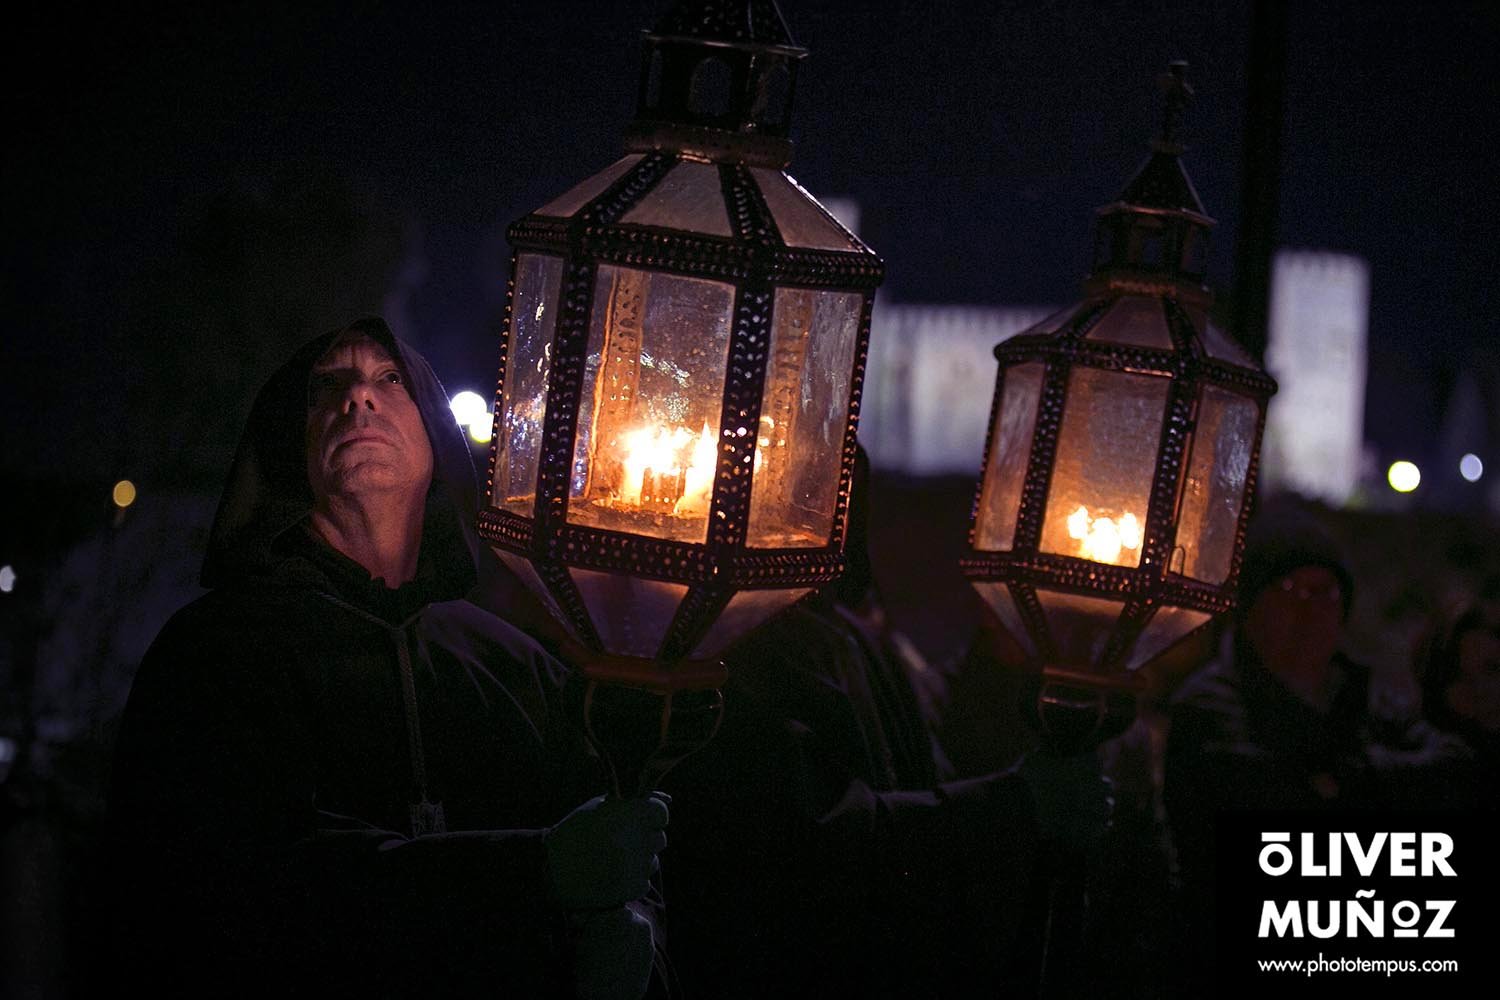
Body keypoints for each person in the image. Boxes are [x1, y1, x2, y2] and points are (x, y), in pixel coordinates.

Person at [103, 318, 669, 998]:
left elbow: (617, 854)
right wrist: (532, 871)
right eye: (327, 388)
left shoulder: (518, 667)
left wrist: (629, 930)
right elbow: (226, 884)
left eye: (389, 379)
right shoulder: (213, 654)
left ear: (435, 434)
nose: (358, 399)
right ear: (291, 443)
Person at [655, 448, 1109, 998]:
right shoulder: (730, 651)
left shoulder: (855, 639)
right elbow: (809, 850)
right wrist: (1019, 802)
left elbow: (925, 773)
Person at [1163, 501, 1462, 989]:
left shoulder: (1374, 704)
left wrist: (1343, 781)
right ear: (1251, 606)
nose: (1307, 607)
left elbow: (1452, 773)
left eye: (1323, 592)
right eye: (1288, 590)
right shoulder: (1209, 707)